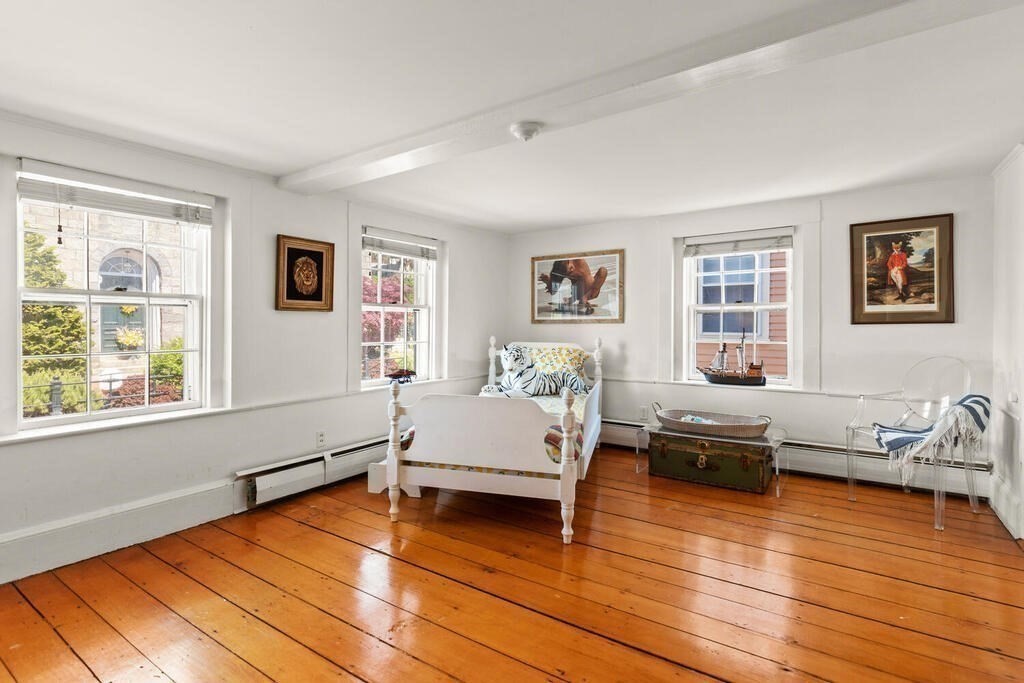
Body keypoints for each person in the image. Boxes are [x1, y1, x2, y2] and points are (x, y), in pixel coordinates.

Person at [539, 258, 608, 314]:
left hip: (592, 292)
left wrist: (586, 296)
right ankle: (573, 299)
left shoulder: (579, 261)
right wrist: (549, 282)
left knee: (603, 271)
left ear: (569, 260)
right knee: (558, 281)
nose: (572, 270)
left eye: (571, 268)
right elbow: (553, 291)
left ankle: (583, 298)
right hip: (577, 294)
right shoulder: (560, 270)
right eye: (569, 273)